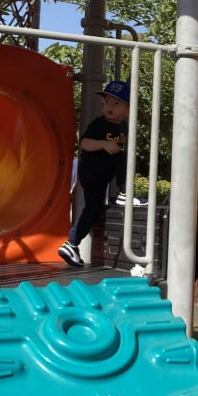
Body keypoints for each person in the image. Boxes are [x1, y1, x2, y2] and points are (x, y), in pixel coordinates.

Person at [58, 79, 130, 268]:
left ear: (127, 110)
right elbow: (84, 144)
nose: (109, 106)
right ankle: (124, 192)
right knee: (121, 157)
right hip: (93, 171)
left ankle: (72, 245)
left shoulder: (123, 127)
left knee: (94, 209)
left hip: (104, 173)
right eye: (106, 101)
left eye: (116, 103)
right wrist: (103, 144)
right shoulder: (100, 124)